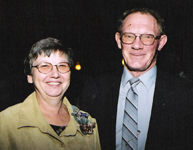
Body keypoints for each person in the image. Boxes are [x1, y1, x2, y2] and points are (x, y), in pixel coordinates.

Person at [80, 8, 193, 150]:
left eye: (147, 37)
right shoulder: (94, 90)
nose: (137, 45)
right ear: (118, 40)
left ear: (161, 42)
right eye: (129, 36)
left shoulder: (185, 95)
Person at [0, 37, 101, 150]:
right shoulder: (6, 123)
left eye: (62, 66)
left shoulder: (87, 122)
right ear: (30, 77)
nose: (55, 74)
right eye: (44, 66)